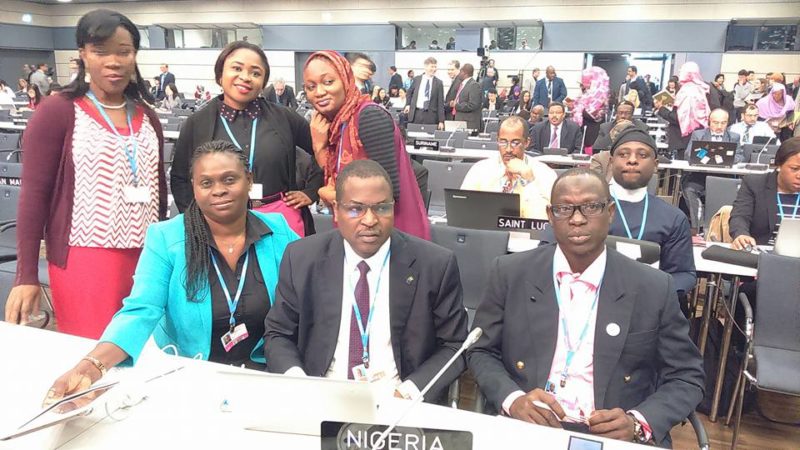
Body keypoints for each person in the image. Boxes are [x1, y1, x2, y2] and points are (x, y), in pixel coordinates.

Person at [42, 141, 299, 407]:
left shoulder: (278, 232)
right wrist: (92, 366)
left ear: (249, 180)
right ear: (194, 188)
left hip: (265, 377)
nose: (219, 191)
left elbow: (307, 297)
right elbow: (141, 310)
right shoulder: (165, 238)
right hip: (192, 378)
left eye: (229, 180)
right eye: (206, 183)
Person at [468, 168, 704, 447]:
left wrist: (639, 422)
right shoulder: (510, 272)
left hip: (615, 434)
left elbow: (687, 376)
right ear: (550, 215)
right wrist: (513, 399)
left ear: (610, 213)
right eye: (564, 208)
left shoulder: (653, 286)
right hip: (530, 425)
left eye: (591, 207)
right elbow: (480, 350)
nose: (577, 219)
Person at [5, 9, 167, 338]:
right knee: (95, 356)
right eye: (101, 51)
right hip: (86, 259)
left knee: (146, 352)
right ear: (83, 54)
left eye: (124, 51)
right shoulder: (59, 111)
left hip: (147, 258)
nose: (114, 61)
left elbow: (159, 191)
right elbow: (34, 196)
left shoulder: (147, 115)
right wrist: (26, 275)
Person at [265, 160, 468, 401]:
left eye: (382, 208)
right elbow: (278, 333)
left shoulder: (434, 265)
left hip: (399, 400)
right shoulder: (301, 258)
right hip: (319, 394)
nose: (369, 220)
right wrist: (300, 383)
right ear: (336, 211)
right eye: (355, 209)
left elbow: (455, 346)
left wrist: (409, 392)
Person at [170, 41, 317, 237]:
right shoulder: (197, 123)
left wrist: (312, 190)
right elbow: (180, 179)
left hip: (279, 220)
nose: (246, 77)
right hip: (218, 223)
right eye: (237, 68)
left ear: (264, 83)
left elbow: (323, 154)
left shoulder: (285, 118)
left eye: (255, 73)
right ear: (220, 75)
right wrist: (196, 222)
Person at [303, 50, 430, 239]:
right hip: (359, 232)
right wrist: (319, 146)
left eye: (328, 82)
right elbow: (336, 176)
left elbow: (387, 195)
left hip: (390, 234)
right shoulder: (338, 123)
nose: (319, 92)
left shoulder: (369, 116)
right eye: (310, 87)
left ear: (346, 79)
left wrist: (332, 195)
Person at [607, 125, 696, 295]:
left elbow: (683, 274)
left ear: (655, 165)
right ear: (611, 162)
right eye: (623, 154)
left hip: (650, 307)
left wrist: (656, 298)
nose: (632, 160)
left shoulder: (673, 218)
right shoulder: (585, 207)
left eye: (642, 155)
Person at [461, 116, 557, 219]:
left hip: (527, 233)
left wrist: (529, 180)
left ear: (526, 142)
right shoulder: (479, 169)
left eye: (515, 143)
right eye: (503, 142)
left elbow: (543, 222)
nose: (508, 149)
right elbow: (462, 210)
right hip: (487, 232)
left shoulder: (546, 173)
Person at [731, 137, 800, 249]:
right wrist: (741, 234)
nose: (799, 175)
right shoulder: (754, 184)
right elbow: (740, 216)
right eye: (794, 168)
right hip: (762, 254)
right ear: (779, 165)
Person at [682, 108, 742, 234]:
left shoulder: (734, 137)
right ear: (709, 122)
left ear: (727, 123)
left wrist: (727, 159)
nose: (719, 126)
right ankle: (697, 226)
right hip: (700, 176)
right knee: (689, 189)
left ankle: (722, 228)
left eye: (723, 123)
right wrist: (707, 157)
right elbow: (688, 154)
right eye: (715, 122)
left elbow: (740, 156)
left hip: (724, 178)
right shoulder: (699, 135)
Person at [654, 62, 709, 160]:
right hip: (699, 135)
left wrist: (661, 109)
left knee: (685, 170)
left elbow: (680, 119)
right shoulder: (700, 88)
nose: (679, 72)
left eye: (681, 70)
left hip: (683, 138)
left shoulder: (687, 91)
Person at [572, 67, 609, 153]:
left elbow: (595, 115)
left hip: (592, 130)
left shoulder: (601, 94)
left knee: (590, 153)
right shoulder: (588, 93)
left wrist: (579, 109)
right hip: (584, 129)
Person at [405, 57, 445, 130]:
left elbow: (440, 103)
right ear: (425, 67)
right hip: (416, 114)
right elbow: (409, 93)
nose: (434, 69)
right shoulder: (417, 79)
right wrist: (408, 104)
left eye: (435, 67)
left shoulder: (439, 83)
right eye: (432, 66)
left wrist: (441, 121)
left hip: (431, 116)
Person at [452, 63, 482, 131]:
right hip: (460, 122)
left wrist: (456, 105)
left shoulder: (474, 85)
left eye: (460, 71)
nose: (459, 73)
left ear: (464, 73)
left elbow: (473, 104)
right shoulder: (463, 84)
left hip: (469, 124)